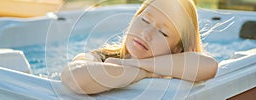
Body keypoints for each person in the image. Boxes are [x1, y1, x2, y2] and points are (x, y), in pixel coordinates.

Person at [61, 0, 218, 94]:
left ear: (177, 49)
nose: (146, 33)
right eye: (144, 20)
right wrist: (140, 72)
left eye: (163, 33)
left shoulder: (176, 71)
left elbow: (209, 66)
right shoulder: (102, 56)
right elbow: (74, 77)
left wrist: (136, 65)